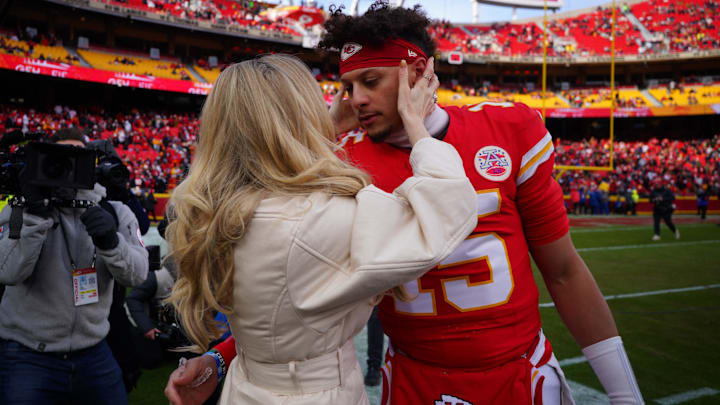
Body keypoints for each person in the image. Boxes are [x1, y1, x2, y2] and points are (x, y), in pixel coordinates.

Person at [167, 3, 643, 405]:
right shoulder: (338, 162)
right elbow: (286, 292)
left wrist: (624, 395)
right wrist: (227, 353)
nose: (356, 99)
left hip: (518, 373)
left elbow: (563, 271)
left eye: (370, 81)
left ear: (418, 71)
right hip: (414, 378)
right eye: (348, 86)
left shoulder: (509, 128)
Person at [163, 54, 477, 405]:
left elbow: (277, 325)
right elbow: (449, 209)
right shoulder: (322, 217)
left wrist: (220, 358)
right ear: (301, 117)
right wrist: (416, 124)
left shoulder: (215, 208)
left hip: (250, 384)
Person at [0, 128, 149, 404]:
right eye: (59, 158)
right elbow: (6, 272)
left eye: (77, 157)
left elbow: (139, 275)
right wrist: (34, 220)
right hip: (27, 354)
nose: (68, 167)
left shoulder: (115, 211)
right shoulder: (20, 208)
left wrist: (111, 242)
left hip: (94, 352)